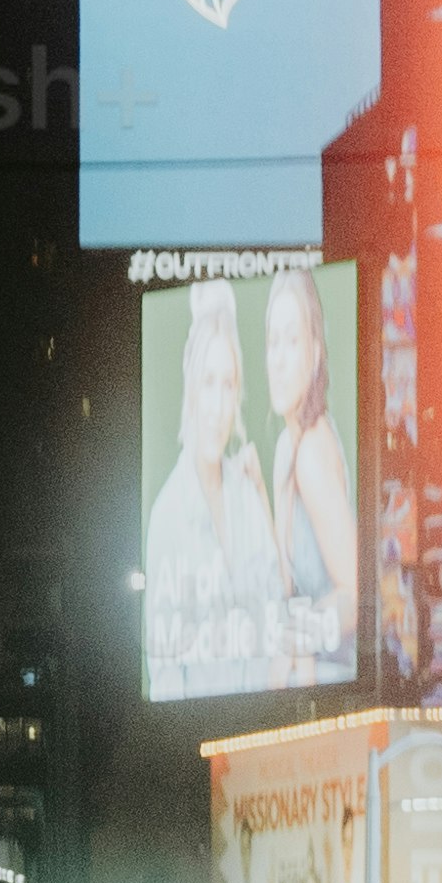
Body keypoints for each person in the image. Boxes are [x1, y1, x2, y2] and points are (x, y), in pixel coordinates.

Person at [139, 275, 285, 696]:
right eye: (208, 382)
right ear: (190, 387)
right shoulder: (167, 515)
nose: (218, 406)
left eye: (228, 383)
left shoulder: (246, 492)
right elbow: (163, 675)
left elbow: (279, 613)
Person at [260, 259, 359, 677]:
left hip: (334, 678)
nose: (279, 360)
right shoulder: (288, 445)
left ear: (316, 352)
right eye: (273, 342)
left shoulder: (312, 453)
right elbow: (284, 589)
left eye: (293, 341)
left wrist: (298, 639)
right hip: (304, 683)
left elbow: (356, 594)